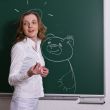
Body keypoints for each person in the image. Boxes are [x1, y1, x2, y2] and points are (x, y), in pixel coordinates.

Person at [8, 10, 49, 110]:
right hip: (22, 101)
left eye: (33, 22)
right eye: (26, 24)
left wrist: (42, 72)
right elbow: (11, 80)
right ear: (22, 28)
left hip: (35, 98)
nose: (30, 26)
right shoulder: (19, 47)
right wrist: (29, 73)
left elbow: (34, 69)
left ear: (39, 25)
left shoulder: (38, 45)